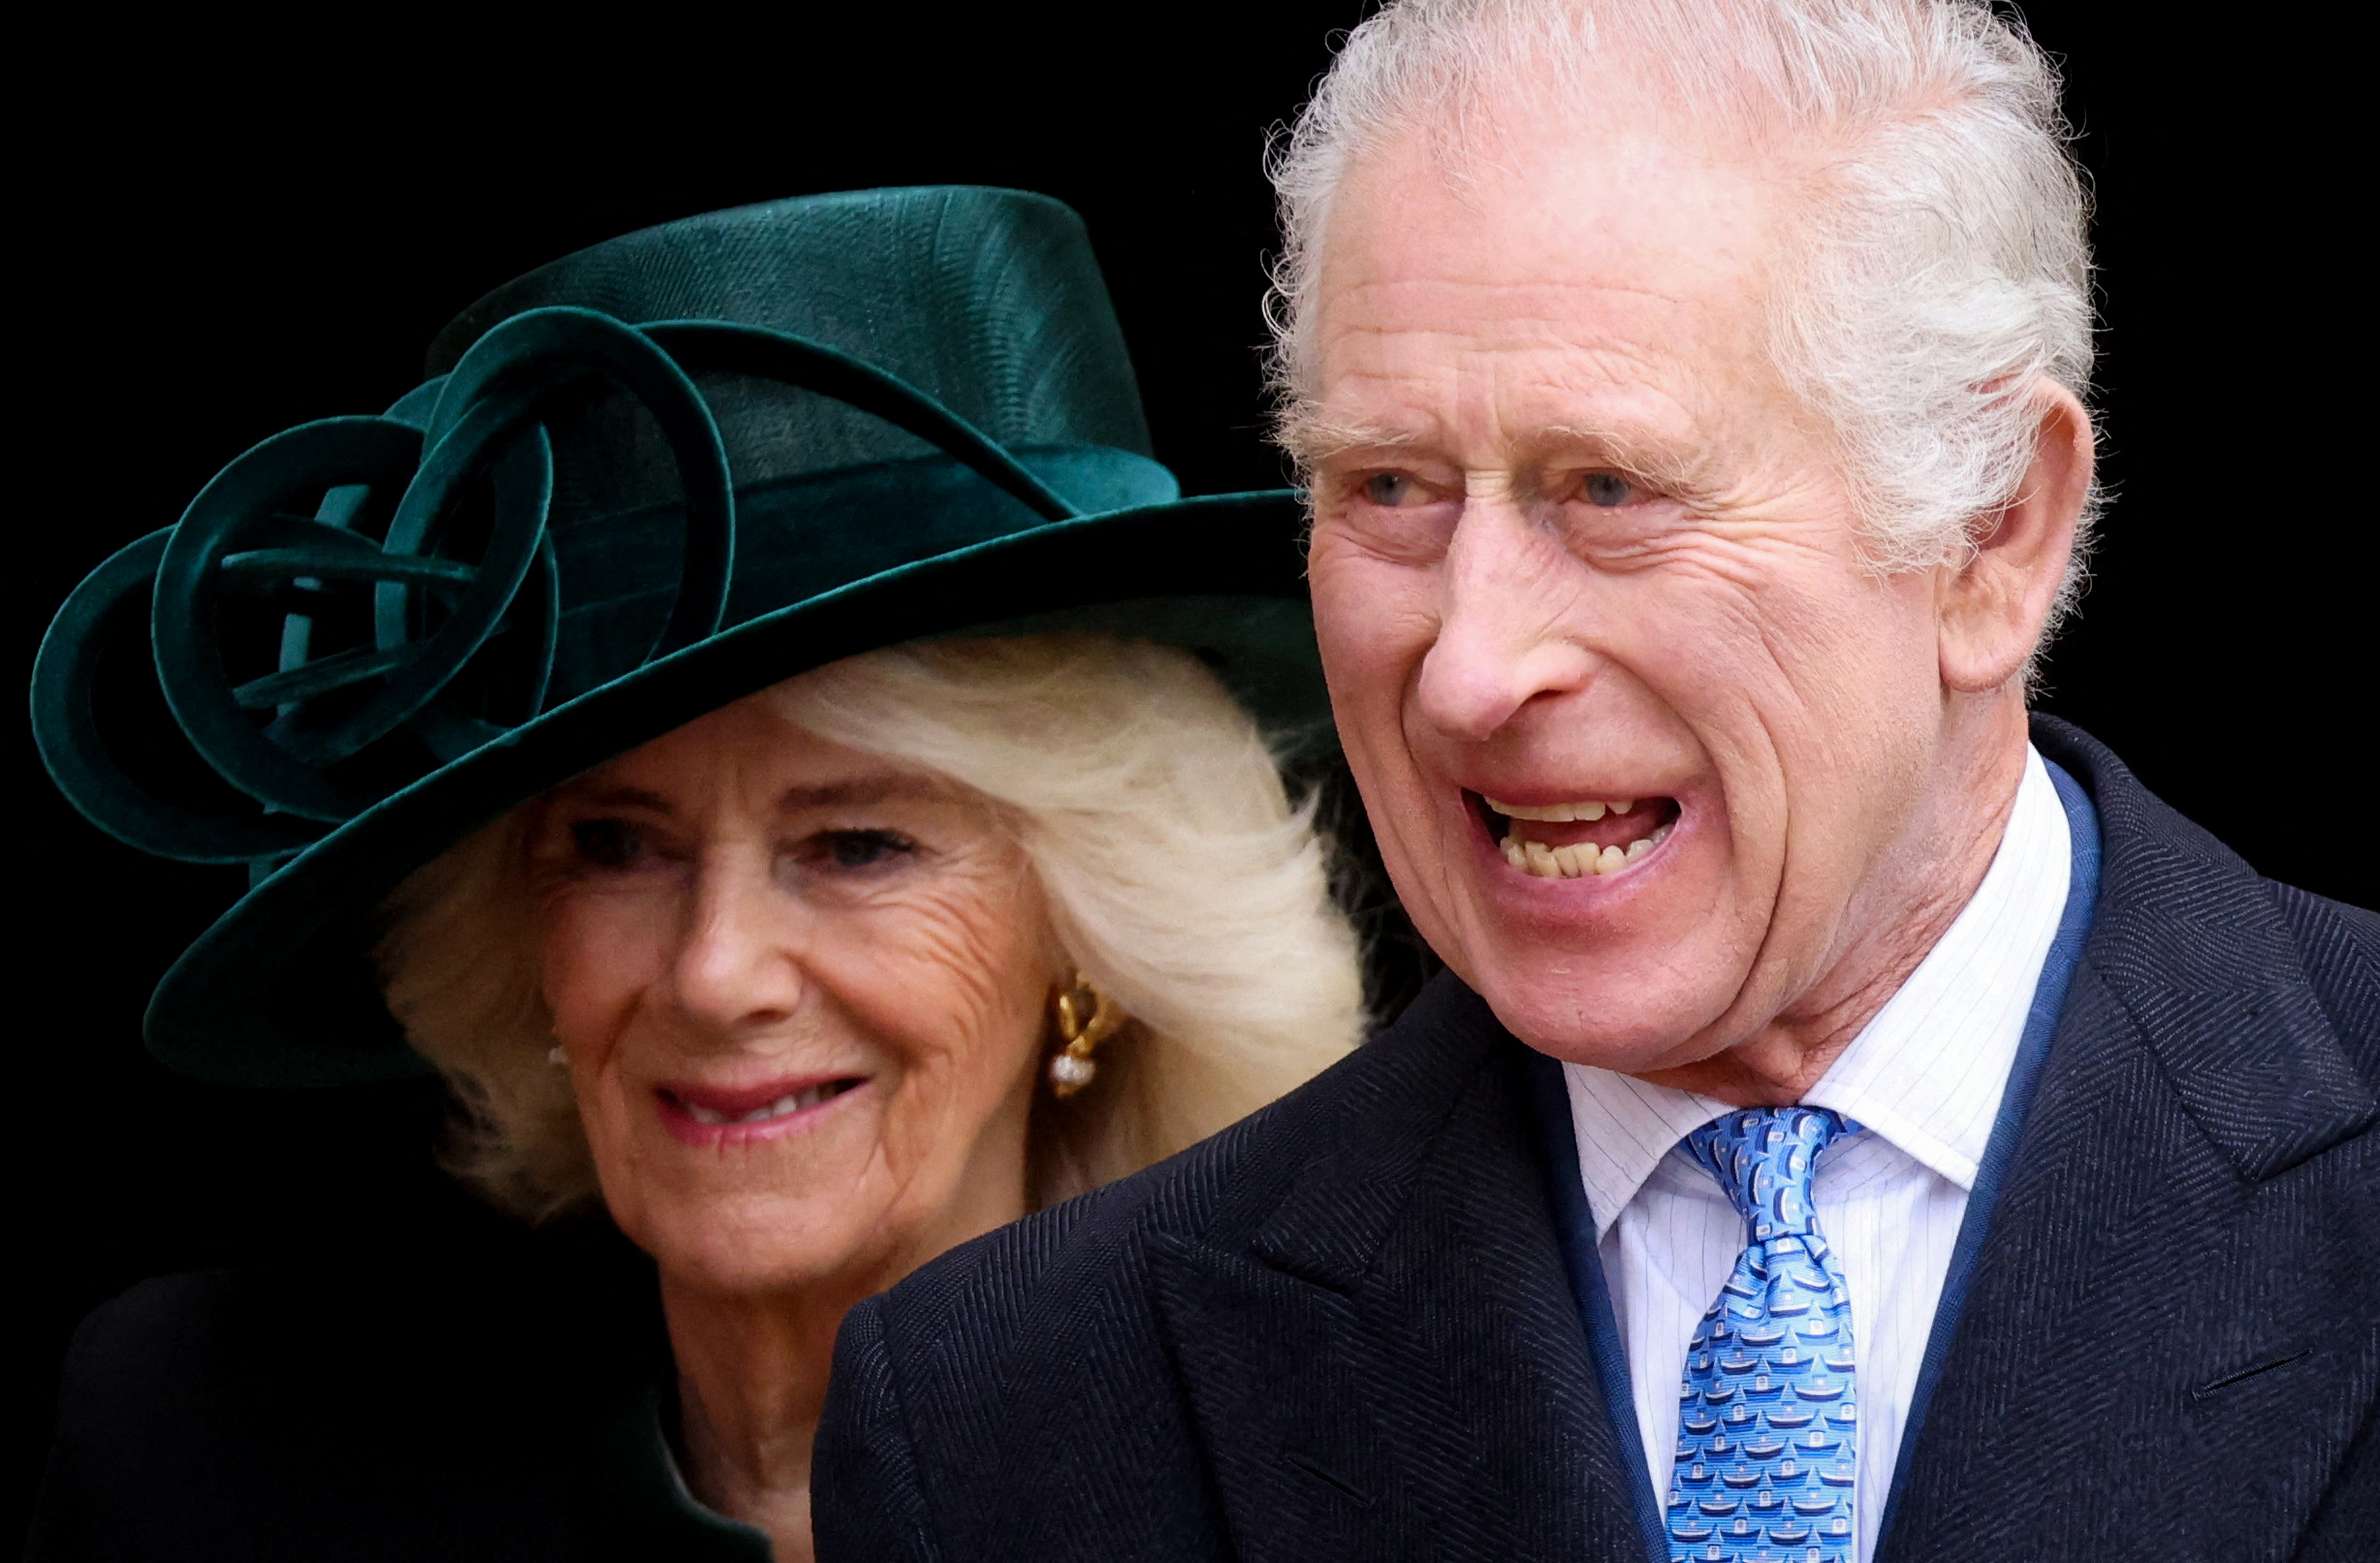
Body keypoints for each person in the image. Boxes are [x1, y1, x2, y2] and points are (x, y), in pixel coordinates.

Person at [810, 5, 2378, 1561]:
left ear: (1990, 532)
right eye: (1391, 490)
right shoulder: (1006, 1421)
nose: (1470, 668)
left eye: (1611, 488)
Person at [26, 187, 1367, 1561]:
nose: (717, 972)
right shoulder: (211, 1467)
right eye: (617, 847)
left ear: (1093, 941)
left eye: (858, 846)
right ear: (518, 944)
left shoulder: (1360, 1502)